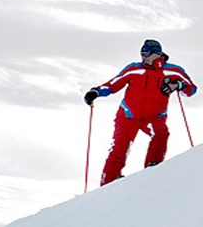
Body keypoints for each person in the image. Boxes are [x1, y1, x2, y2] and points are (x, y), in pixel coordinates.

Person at [84, 39, 197, 186]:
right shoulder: (134, 69)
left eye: (147, 54)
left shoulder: (173, 71)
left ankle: (153, 168)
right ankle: (108, 182)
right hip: (128, 115)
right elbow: (113, 84)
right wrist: (95, 92)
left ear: (157, 54)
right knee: (119, 147)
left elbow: (191, 90)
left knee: (161, 133)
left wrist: (178, 85)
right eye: (142, 54)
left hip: (155, 116)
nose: (144, 58)